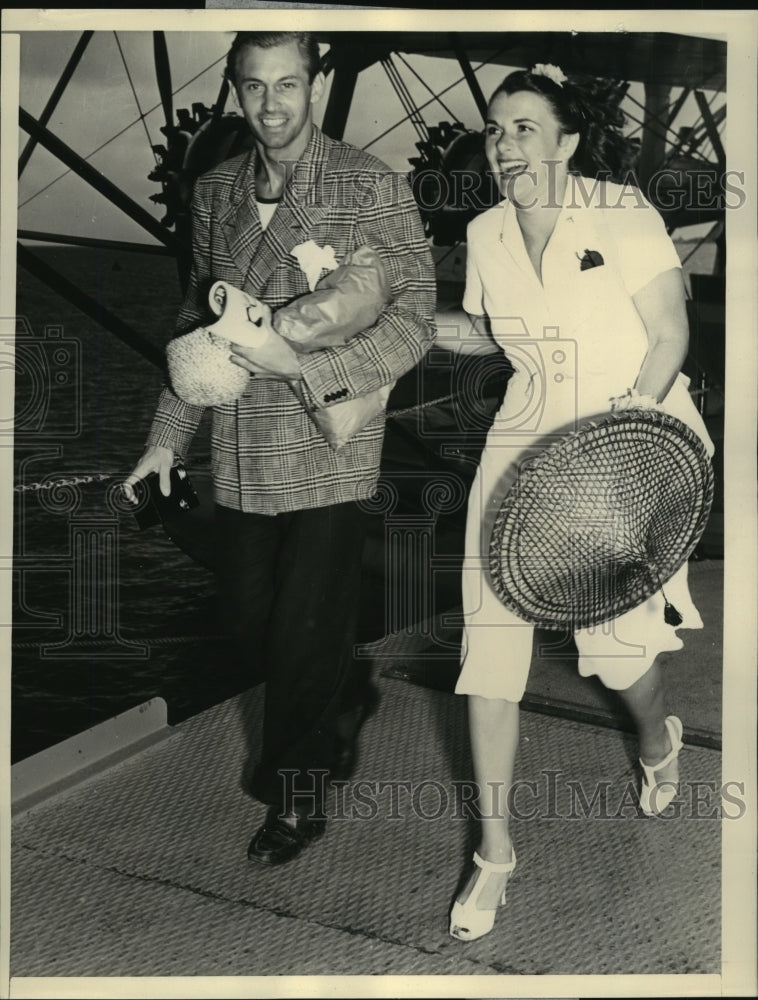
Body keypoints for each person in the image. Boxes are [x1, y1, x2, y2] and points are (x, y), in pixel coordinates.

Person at [124, 31, 436, 866]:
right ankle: (348, 694)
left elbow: (409, 321)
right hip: (241, 444)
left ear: (317, 82)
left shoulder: (369, 183)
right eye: (256, 87)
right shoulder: (218, 190)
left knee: (302, 633)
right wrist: (163, 442)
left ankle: (295, 797)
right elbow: (197, 326)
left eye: (290, 84)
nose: (273, 106)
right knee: (250, 622)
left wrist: (305, 364)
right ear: (235, 88)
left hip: (331, 436)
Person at [448, 64, 714, 940]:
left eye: (525, 127)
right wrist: (394, 328)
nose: (505, 143)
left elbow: (672, 333)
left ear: (565, 142)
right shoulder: (485, 233)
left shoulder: (620, 211)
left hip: (626, 438)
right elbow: (493, 333)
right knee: (489, 644)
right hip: (525, 445)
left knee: (613, 656)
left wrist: (620, 445)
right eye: (494, 129)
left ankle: (655, 739)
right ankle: (495, 853)